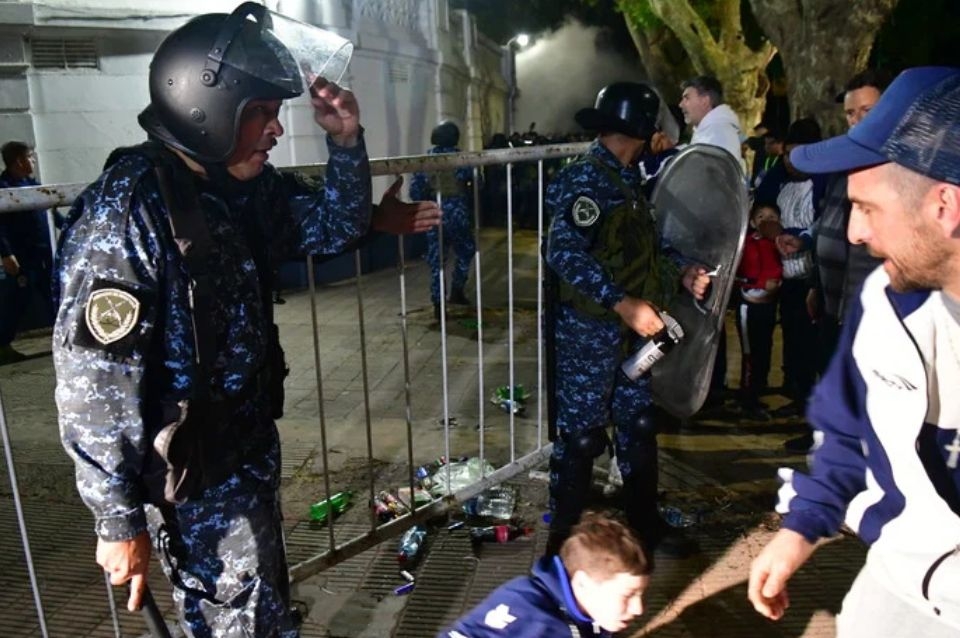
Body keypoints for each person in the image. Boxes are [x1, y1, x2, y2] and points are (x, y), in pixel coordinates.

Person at [53, 5, 438, 637]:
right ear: (207, 108)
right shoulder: (128, 211)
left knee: (259, 607)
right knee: (240, 620)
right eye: (261, 112)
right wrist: (117, 521)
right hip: (197, 470)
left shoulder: (236, 189)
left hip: (244, 446)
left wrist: (346, 142)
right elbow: (94, 384)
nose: (276, 129)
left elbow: (329, 228)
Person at [747, 66, 960, 638]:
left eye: (868, 208)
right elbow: (848, 434)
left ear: (945, 206)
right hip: (895, 588)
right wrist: (800, 528)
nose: (854, 233)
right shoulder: (882, 301)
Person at [544, 82, 709, 558]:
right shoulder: (586, 179)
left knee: (637, 424)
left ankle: (644, 524)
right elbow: (562, 252)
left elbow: (646, 247)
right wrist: (622, 303)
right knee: (581, 437)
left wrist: (682, 271)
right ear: (641, 129)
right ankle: (561, 544)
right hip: (590, 331)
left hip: (632, 332)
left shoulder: (626, 178)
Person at [782, 69, 889, 453]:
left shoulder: (894, 164)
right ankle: (827, 441)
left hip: (864, 306)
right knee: (829, 377)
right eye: (850, 113)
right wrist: (816, 284)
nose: (857, 121)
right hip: (832, 301)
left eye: (867, 111)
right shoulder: (845, 161)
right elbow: (830, 221)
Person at [439, 512, 650, 637]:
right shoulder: (523, 607)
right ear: (583, 584)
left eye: (641, 594)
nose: (638, 608)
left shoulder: (593, 614)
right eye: (628, 595)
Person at [772, 117, 827, 418]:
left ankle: (814, 407)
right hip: (786, 275)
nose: (791, 162)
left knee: (811, 344)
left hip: (812, 276)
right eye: (787, 155)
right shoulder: (778, 178)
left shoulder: (825, 182)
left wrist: (803, 239)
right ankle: (797, 395)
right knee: (792, 339)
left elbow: (824, 223)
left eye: (798, 155)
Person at [410, 121, 476, 319]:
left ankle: (438, 304)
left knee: (437, 261)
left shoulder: (424, 162)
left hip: (434, 215)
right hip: (458, 215)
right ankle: (457, 289)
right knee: (466, 251)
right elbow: (477, 183)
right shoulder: (462, 159)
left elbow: (415, 192)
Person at [0, 141, 56, 364]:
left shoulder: (32, 185)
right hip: (22, 257)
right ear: (19, 161)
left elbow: (49, 213)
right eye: (30, 157)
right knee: (17, 301)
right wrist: (6, 254)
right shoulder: (4, 189)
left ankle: (65, 337)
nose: (34, 160)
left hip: (43, 254)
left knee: (54, 295)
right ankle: (2, 345)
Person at [735, 202, 783, 420]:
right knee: (750, 355)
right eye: (761, 217)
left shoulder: (780, 243)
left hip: (769, 305)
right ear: (753, 222)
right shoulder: (745, 244)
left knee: (765, 351)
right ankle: (747, 400)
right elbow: (738, 276)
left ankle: (756, 394)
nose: (767, 221)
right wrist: (762, 284)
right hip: (748, 306)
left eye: (772, 217)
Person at [678, 75, 744, 163]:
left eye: (687, 98)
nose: (681, 104)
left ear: (705, 101)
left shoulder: (719, 135)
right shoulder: (710, 131)